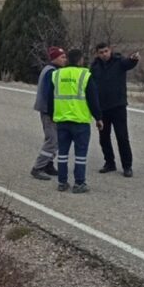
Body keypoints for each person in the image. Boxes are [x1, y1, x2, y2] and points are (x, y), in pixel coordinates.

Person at [48, 48, 103, 193]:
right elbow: (93, 99)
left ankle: (62, 182)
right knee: (80, 154)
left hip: (62, 120)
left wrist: (52, 115)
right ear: (80, 60)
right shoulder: (85, 75)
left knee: (62, 154)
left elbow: (50, 97)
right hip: (80, 121)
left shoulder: (57, 74)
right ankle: (79, 183)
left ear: (67, 59)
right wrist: (98, 118)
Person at [90, 43, 140, 178]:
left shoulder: (119, 61)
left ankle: (127, 166)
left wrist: (134, 59)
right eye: (101, 52)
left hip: (118, 107)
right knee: (104, 138)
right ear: (97, 54)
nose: (104, 54)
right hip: (102, 108)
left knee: (122, 137)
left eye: (106, 51)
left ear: (110, 50)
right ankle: (109, 163)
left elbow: (129, 63)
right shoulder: (94, 67)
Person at [30, 46, 68, 180]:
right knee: (52, 140)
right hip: (48, 111)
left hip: (51, 111)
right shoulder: (51, 72)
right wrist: (53, 113)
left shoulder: (52, 70)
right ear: (54, 58)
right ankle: (38, 167)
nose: (65, 59)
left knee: (56, 140)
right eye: (62, 57)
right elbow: (50, 95)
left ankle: (48, 164)